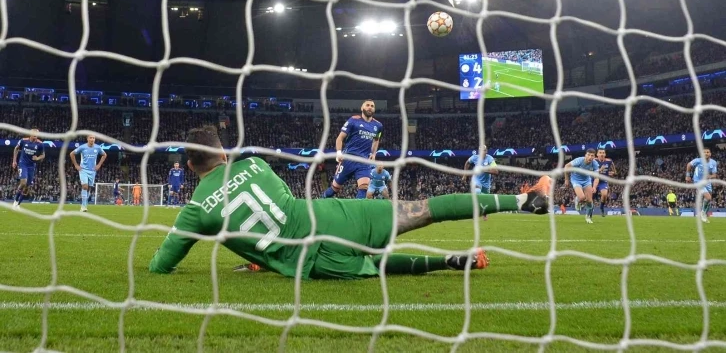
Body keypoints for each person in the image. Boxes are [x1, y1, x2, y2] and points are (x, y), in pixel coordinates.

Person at [149, 126, 552, 279]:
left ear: (189, 165)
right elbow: (277, 200)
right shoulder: (254, 163)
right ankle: (523, 199)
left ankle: (445, 262)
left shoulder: (194, 210)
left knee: (372, 266)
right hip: (335, 216)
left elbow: (161, 265)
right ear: (224, 153)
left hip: (311, 261)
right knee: (424, 209)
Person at [322, 100, 382, 199]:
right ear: (362, 108)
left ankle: (357, 209)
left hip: (364, 161)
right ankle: (321, 199)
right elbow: (340, 138)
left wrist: (373, 153)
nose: (370, 107)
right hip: (348, 159)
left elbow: (376, 140)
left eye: (372, 106)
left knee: (364, 188)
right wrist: (338, 153)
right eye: (367, 105)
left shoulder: (378, 126)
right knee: (335, 189)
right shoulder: (353, 120)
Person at [69, 135, 107, 212]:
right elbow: (72, 154)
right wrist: (76, 165)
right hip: (83, 170)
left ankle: (85, 204)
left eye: (93, 138)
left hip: (92, 171)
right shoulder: (82, 147)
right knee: (85, 186)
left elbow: (104, 155)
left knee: (89, 188)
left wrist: (99, 165)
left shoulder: (97, 147)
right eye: (90, 138)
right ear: (87, 139)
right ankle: (83, 206)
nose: (92, 139)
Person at [11, 129, 46, 210]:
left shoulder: (40, 144)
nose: (36, 135)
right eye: (34, 133)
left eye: (37, 134)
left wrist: (37, 158)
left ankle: (18, 204)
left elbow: (43, 155)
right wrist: (14, 161)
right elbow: (16, 149)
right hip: (23, 164)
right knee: (23, 182)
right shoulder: (23, 141)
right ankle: (15, 200)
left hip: (32, 166)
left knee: (27, 187)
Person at [564, 148, 600, 224]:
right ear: (585, 155)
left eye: (592, 156)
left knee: (590, 201)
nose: (590, 157)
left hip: (586, 180)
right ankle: (577, 199)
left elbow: (596, 177)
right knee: (582, 197)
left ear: (594, 157)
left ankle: (588, 217)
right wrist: (566, 179)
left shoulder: (595, 164)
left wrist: (594, 187)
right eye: (588, 155)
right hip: (576, 180)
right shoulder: (579, 160)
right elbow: (566, 166)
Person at [686, 148, 718, 223]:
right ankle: (702, 213)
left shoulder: (713, 162)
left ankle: (704, 214)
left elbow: (714, 175)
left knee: (709, 200)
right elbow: (689, 165)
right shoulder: (698, 160)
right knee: (708, 197)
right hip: (698, 181)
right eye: (704, 152)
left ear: (710, 154)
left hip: (707, 182)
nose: (706, 153)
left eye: (708, 152)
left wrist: (710, 176)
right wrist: (687, 175)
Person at [591, 149, 616, 217]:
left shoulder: (609, 161)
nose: (602, 154)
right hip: (594, 181)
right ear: (597, 154)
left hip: (603, 181)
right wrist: (600, 170)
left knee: (604, 195)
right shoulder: (593, 161)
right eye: (600, 153)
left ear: (605, 154)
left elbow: (614, 170)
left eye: (603, 153)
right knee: (591, 197)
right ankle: (590, 209)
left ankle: (601, 207)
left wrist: (613, 172)